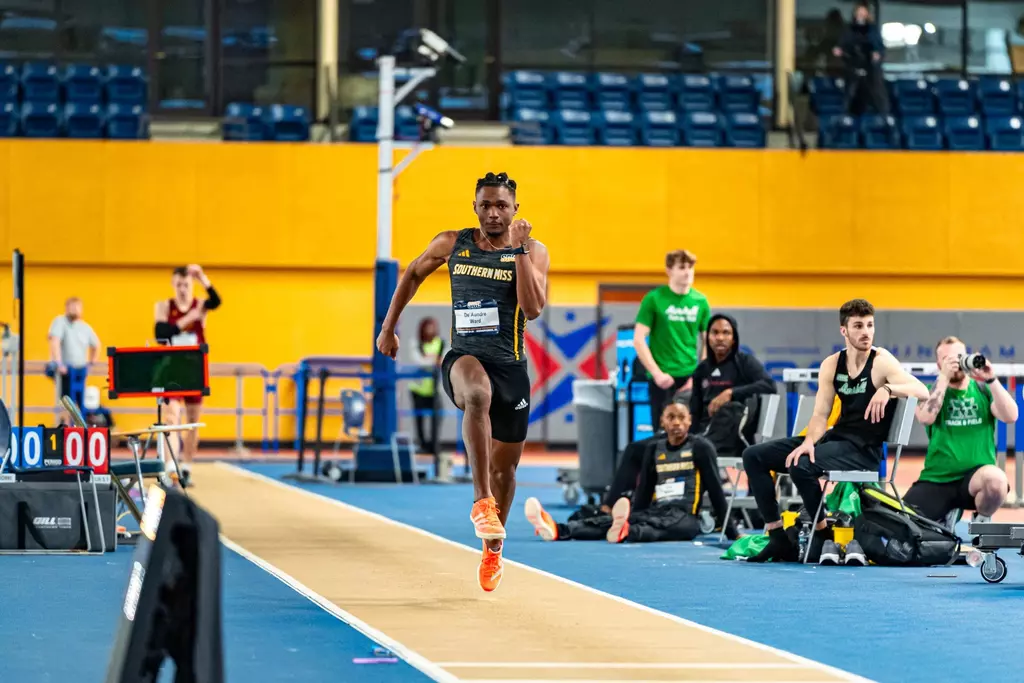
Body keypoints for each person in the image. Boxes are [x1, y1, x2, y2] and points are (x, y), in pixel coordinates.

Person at [376, 171, 550, 593]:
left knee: (506, 469)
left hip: (511, 367)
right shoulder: (453, 243)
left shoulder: (533, 249)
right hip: (464, 357)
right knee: (476, 393)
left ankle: (493, 546)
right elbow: (413, 274)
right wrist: (388, 327)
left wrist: (522, 250)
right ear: (474, 206)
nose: (493, 212)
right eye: (485, 204)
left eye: (501, 206)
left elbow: (534, 307)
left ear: (515, 210)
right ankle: (481, 501)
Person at [740, 298, 929, 563]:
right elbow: (820, 414)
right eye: (859, 326)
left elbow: (922, 390)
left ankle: (822, 534)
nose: (866, 332)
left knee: (802, 466)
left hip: (864, 450)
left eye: (870, 325)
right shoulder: (832, 364)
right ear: (844, 331)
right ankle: (777, 537)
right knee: (754, 456)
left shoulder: (881, 361)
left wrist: (887, 389)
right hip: (836, 439)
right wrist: (808, 442)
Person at [525, 402, 738, 543]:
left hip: (685, 517)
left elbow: (716, 492)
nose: (676, 423)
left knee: (658, 529)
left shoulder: (701, 447)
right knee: (611, 521)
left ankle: (627, 531)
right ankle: (558, 529)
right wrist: (635, 514)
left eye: (682, 418)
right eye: (671, 417)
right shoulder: (655, 449)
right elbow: (645, 488)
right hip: (657, 509)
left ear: (690, 421)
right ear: (662, 422)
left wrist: (733, 533)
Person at [904, 336, 1017, 524]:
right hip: (937, 479)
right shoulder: (928, 391)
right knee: (904, 523)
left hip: (975, 480)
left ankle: (982, 520)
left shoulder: (983, 390)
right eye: (947, 359)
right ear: (938, 363)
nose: (955, 362)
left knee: (997, 480)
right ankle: (945, 514)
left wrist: (991, 379)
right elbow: (925, 417)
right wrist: (944, 378)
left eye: (959, 356)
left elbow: (1011, 416)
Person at [154, 264, 222, 487]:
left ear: (191, 285)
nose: (183, 288)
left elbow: (217, 301)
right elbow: (160, 333)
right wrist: (188, 319)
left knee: (193, 422)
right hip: (172, 368)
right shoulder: (165, 306)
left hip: (195, 368)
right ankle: (170, 468)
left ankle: (186, 467)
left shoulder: (201, 305)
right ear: (173, 284)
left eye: (186, 284)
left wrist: (203, 277)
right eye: (179, 284)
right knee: (171, 419)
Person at [633, 249, 711, 425]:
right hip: (662, 378)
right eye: (682, 267)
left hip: (690, 377)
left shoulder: (701, 301)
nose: (687, 272)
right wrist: (656, 374)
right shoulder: (654, 299)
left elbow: (708, 342)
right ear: (669, 270)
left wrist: (698, 376)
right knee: (662, 433)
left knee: (692, 431)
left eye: (691, 267)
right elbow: (638, 340)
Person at [690, 314, 776, 457]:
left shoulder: (744, 362)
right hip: (704, 430)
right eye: (715, 333)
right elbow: (695, 411)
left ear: (733, 338)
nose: (720, 338)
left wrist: (730, 393)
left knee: (731, 409)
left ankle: (703, 447)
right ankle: (696, 445)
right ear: (708, 338)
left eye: (726, 333)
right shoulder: (702, 370)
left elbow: (769, 385)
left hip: (735, 433)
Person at [47, 297, 100, 422]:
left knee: (80, 404)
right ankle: (66, 427)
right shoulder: (60, 322)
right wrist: (59, 363)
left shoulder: (85, 327)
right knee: (66, 402)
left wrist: (91, 363)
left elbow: (96, 345)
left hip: (80, 370)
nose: (74, 310)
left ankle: (79, 429)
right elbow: (54, 341)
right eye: (71, 306)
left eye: (77, 307)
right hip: (66, 371)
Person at [833, 2, 889, 116]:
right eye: (858, 12)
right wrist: (839, 50)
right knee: (850, 94)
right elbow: (843, 45)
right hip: (853, 66)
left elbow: (880, 47)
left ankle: (884, 117)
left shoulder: (872, 30)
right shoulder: (849, 30)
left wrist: (877, 55)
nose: (861, 15)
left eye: (863, 12)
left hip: (871, 69)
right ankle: (846, 118)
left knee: (877, 93)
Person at [408, 317, 444, 457]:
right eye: (427, 327)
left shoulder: (441, 343)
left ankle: (434, 446)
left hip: (435, 390)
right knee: (419, 420)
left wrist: (433, 359)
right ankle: (422, 444)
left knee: (437, 419)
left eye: (432, 327)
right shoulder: (416, 343)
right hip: (418, 389)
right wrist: (433, 359)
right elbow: (419, 361)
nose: (430, 330)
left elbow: (444, 359)